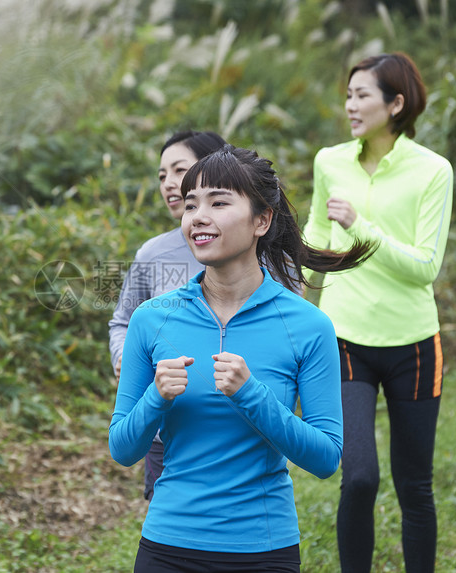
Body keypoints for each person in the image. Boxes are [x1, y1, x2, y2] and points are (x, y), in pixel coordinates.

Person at [109, 145, 374, 573]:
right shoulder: (151, 319)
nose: (197, 216)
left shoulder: (307, 325)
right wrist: (155, 398)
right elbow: (122, 448)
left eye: (218, 202)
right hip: (167, 545)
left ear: (261, 220)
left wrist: (252, 395)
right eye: (191, 204)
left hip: (263, 550)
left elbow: (326, 459)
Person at [302, 52, 453, 573]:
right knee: (359, 476)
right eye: (348, 95)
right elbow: (319, 241)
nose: (350, 105)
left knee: (415, 485)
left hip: (413, 344)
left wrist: (362, 227)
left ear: (396, 103)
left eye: (362, 95)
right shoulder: (330, 161)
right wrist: (285, 286)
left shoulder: (433, 171)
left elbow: (425, 267)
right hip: (345, 340)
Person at [108, 130, 227, 501]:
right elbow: (122, 320)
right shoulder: (153, 254)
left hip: (237, 427)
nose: (170, 184)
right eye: (162, 175)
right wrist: (125, 356)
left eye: (180, 170)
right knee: (168, 533)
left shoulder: (258, 248)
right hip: (165, 431)